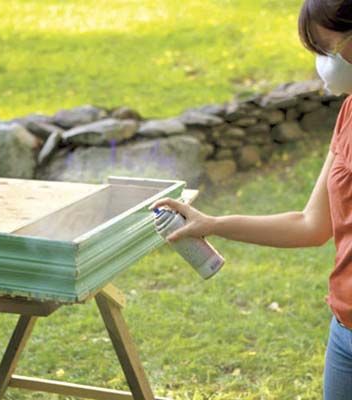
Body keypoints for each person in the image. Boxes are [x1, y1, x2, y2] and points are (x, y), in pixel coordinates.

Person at [149, 1, 352, 398]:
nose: (324, 65)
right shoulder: (347, 113)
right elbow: (310, 225)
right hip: (344, 330)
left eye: (330, 51)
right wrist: (213, 224)